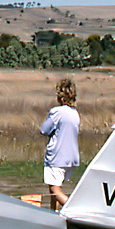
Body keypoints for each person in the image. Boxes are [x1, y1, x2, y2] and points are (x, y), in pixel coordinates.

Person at [39, 78, 80, 211]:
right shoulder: (75, 114)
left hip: (57, 157)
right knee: (56, 188)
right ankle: (53, 213)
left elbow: (44, 129)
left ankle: (73, 209)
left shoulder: (58, 112)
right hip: (70, 158)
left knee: (54, 189)